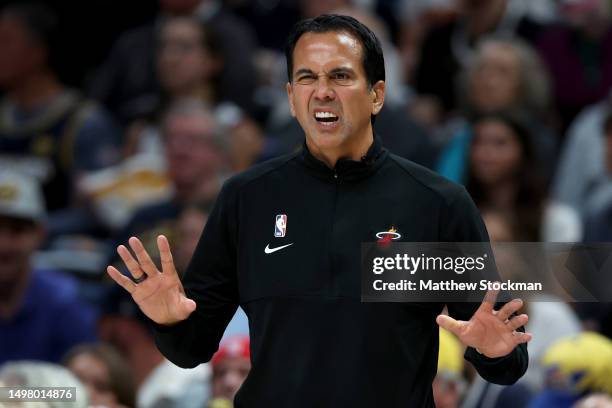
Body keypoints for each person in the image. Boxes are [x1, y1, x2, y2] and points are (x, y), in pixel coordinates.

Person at [107, 14, 531, 407]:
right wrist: (167, 321)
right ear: (291, 98)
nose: (322, 91)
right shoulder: (246, 198)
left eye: (341, 76)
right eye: (307, 77)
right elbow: (191, 349)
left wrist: (494, 352)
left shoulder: (437, 202)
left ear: (377, 94)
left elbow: (505, 354)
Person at [0, 171, 97, 365]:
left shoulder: (64, 303)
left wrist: (11, 395)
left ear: (40, 234)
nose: (4, 245)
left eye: (17, 230)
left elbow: (79, 392)